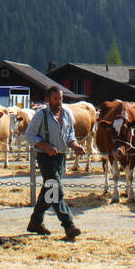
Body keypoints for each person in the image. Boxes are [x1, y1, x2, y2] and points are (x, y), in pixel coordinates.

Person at [24, 85, 84, 240]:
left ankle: (35, 222)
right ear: (48, 99)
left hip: (61, 157)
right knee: (56, 189)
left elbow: (70, 133)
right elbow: (29, 136)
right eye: (56, 99)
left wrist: (75, 145)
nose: (59, 102)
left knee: (49, 190)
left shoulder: (67, 113)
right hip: (45, 158)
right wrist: (46, 146)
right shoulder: (40, 115)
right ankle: (68, 225)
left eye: (61, 98)